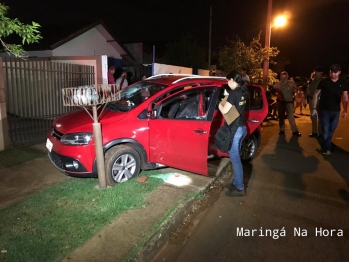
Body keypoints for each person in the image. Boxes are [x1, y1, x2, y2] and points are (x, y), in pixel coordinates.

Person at [219, 70, 248, 197]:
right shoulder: (243, 91)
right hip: (241, 128)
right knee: (235, 158)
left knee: (235, 160)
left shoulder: (233, 93)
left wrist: (220, 103)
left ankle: (240, 187)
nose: (227, 82)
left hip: (235, 131)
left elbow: (225, 110)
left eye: (227, 80)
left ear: (231, 80)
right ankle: (236, 182)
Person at [312, 64, 348, 156]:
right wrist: (314, 108)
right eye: (331, 72)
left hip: (335, 110)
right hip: (323, 109)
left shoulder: (343, 83)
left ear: (339, 72)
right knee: (326, 129)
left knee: (332, 128)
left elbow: (345, 96)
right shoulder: (324, 82)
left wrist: (345, 109)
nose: (333, 74)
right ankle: (326, 149)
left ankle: (325, 144)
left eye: (335, 72)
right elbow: (316, 94)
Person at [273, 71, 301, 136]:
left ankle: (295, 131)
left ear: (287, 77)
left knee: (291, 117)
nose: (284, 78)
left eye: (285, 77)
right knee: (281, 117)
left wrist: (295, 95)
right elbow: (272, 90)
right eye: (282, 77)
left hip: (289, 102)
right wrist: (277, 95)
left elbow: (296, 90)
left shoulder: (291, 83)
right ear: (280, 77)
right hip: (281, 103)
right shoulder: (278, 84)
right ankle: (282, 130)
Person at [307, 67, 323, 137]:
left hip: (320, 100)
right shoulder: (312, 80)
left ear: (321, 72)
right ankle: (314, 132)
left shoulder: (323, 81)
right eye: (315, 72)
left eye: (318, 72)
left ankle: (320, 132)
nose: (316, 73)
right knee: (313, 116)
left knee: (320, 116)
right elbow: (308, 89)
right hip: (311, 99)